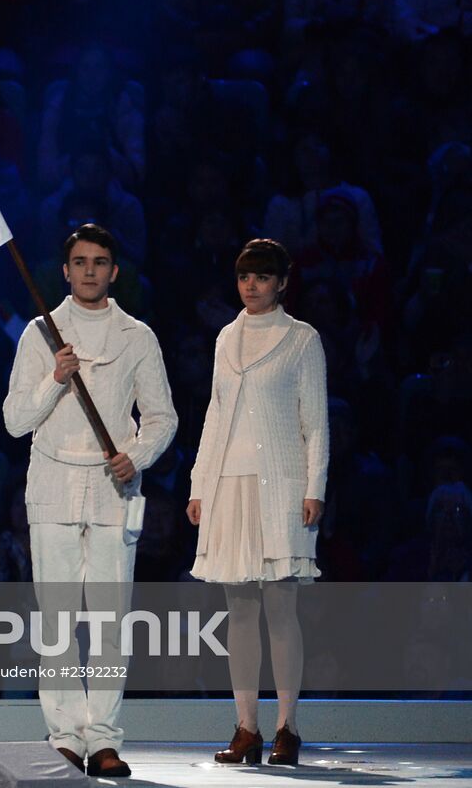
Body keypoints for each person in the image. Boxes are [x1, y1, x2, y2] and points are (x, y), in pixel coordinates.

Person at [2, 223, 177, 778]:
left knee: (108, 620)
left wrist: (138, 455)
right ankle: (65, 737)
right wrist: (56, 377)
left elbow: (162, 417)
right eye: (80, 261)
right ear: (66, 270)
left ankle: (102, 738)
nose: (90, 271)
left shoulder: (136, 335)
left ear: (114, 271)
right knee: (56, 619)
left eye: (100, 261)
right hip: (53, 482)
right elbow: (14, 420)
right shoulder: (41, 332)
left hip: (112, 487)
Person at [186, 239, 328, 767]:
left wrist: (316, 487)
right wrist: (200, 485)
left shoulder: (301, 339)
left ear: (282, 282)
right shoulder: (226, 337)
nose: (251, 285)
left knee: (281, 610)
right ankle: (246, 728)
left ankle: (287, 728)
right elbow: (215, 415)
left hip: (281, 487)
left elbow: (315, 421)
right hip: (229, 484)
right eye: (245, 275)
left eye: (263, 276)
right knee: (239, 613)